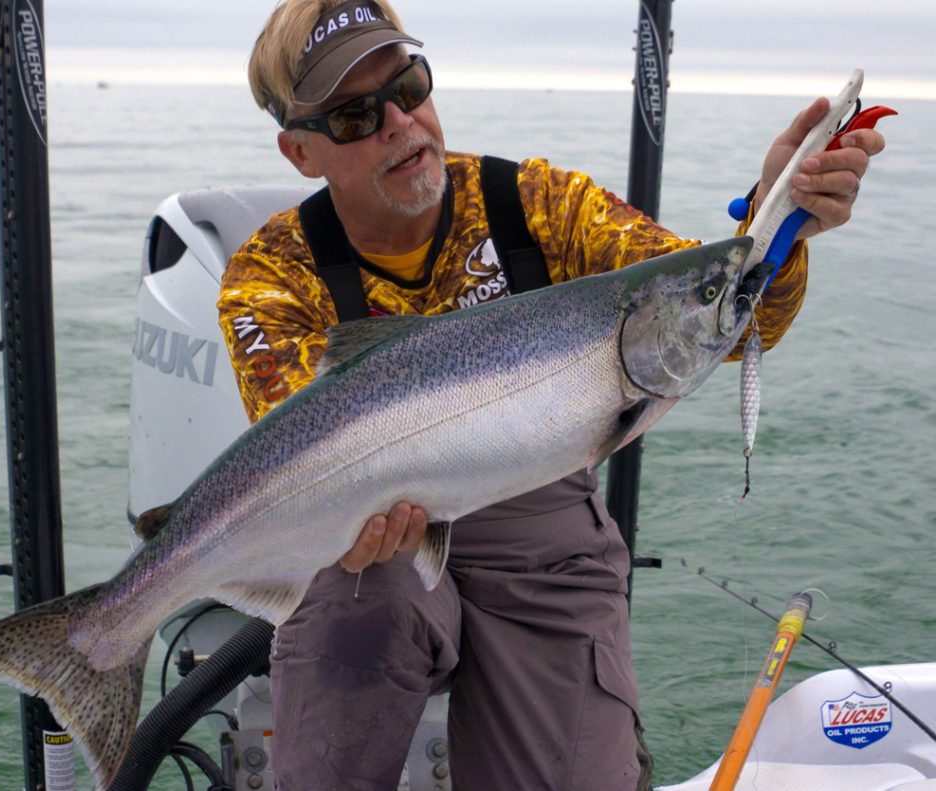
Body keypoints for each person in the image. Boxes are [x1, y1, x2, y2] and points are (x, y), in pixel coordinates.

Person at [217, 1, 885, 788]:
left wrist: (777, 222)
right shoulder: (272, 275)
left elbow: (717, 317)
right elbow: (297, 459)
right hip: (372, 541)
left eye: (409, 85)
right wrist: (349, 525)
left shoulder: (535, 202)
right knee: (357, 610)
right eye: (356, 116)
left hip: (543, 533)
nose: (400, 122)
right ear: (300, 151)